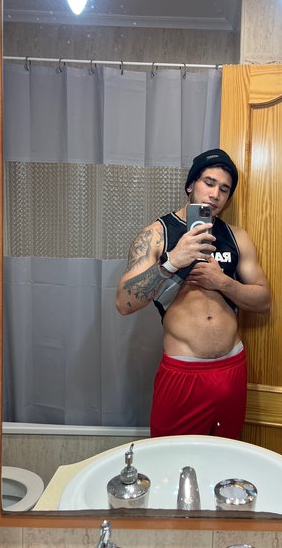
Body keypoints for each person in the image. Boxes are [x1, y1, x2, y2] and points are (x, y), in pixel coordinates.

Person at [115, 148, 270, 438]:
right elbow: (124, 303)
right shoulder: (157, 235)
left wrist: (222, 282)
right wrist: (173, 260)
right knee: (171, 457)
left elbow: (264, 301)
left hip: (231, 369)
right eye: (209, 183)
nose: (215, 194)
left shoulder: (237, 237)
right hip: (183, 373)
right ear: (191, 185)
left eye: (224, 189)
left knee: (226, 457)